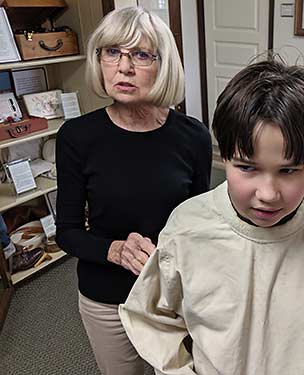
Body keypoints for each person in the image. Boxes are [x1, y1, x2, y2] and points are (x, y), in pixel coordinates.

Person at [119, 59, 304, 374]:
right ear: (223, 154)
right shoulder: (187, 228)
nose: (267, 193)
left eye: (289, 170)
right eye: (248, 167)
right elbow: (152, 317)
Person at [55, 7, 212, 375]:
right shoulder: (77, 137)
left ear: (164, 65)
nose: (123, 67)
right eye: (111, 52)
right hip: (107, 299)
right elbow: (67, 232)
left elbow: (198, 225)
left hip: (171, 295)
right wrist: (115, 250)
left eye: (140, 54)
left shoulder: (193, 137)